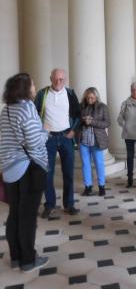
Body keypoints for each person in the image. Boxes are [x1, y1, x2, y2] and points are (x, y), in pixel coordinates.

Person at [0, 73, 49, 272]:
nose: (35, 87)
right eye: (32, 84)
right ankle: (29, 260)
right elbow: (34, 142)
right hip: (30, 168)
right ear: (24, 88)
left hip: (10, 169)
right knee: (27, 215)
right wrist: (45, 132)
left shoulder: (6, 110)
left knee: (15, 214)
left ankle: (16, 257)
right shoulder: (27, 108)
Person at [35, 68, 80, 218]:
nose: (58, 82)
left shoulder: (70, 94)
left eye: (61, 79)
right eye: (55, 79)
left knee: (68, 173)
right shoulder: (42, 94)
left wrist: (74, 131)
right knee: (47, 173)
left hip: (66, 137)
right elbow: (35, 115)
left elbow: (78, 115)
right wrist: (42, 131)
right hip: (49, 139)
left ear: (65, 80)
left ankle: (69, 204)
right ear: (50, 78)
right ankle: (50, 205)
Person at [79, 87, 110, 196]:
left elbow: (107, 123)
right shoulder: (82, 106)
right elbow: (77, 122)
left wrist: (92, 122)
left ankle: (101, 186)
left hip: (97, 141)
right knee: (85, 165)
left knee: (99, 164)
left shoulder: (102, 107)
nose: (90, 100)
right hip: (84, 141)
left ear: (96, 97)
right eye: (88, 98)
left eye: (92, 97)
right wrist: (83, 121)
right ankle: (88, 187)